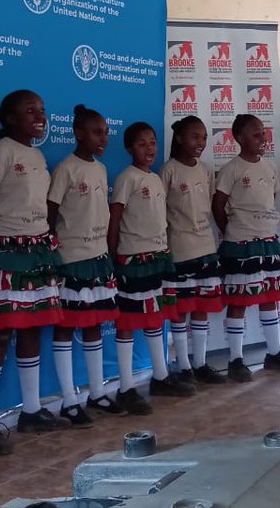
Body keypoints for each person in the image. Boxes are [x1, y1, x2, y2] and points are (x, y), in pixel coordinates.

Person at [0, 90, 66, 446]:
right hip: (5, 252)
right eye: (29, 111)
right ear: (9, 119)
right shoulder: (0, 153)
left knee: (32, 330)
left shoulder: (38, 155)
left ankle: (31, 410)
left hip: (37, 253)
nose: (39, 116)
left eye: (42, 109)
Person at [109, 122, 196, 415]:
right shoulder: (126, 178)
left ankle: (160, 376)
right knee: (128, 323)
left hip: (158, 257)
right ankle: (125, 388)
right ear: (129, 148)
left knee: (155, 317)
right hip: (133, 259)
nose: (149, 149)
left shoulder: (156, 179)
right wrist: (113, 257)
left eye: (152, 143)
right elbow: (115, 218)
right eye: (141, 144)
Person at [213, 115, 280, 381]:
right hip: (241, 245)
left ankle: (274, 352)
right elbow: (218, 205)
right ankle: (236, 359)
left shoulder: (270, 168)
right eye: (255, 134)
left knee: (270, 297)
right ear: (239, 139)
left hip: (267, 242)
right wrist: (230, 231)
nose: (262, 138)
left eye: (263, 133)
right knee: (240, 300)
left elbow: (271, 200)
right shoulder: (232, 169)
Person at [47, 105, 122, 425]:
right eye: (96, 132)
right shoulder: (66, 168)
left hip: (97, 258)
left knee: (94, 324)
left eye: (105, 132)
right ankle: (68, 399)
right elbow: (50, 213)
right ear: (78, 133)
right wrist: (52, 254)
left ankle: (96, 391)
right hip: (72, 258)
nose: (103, 138)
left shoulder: (101, 169)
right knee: (66, 327)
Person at [160, 116, 227, 384]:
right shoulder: (168, 171)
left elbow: (211, 206)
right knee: (181, 308)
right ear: (179, 139)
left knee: (202, 305)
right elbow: (160, 210)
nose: (200, 143)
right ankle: (184, 365)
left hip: (205, 247)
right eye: (194, 137)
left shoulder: (206, 170)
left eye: (204, 137)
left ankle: (200, 362)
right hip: (180, 248)